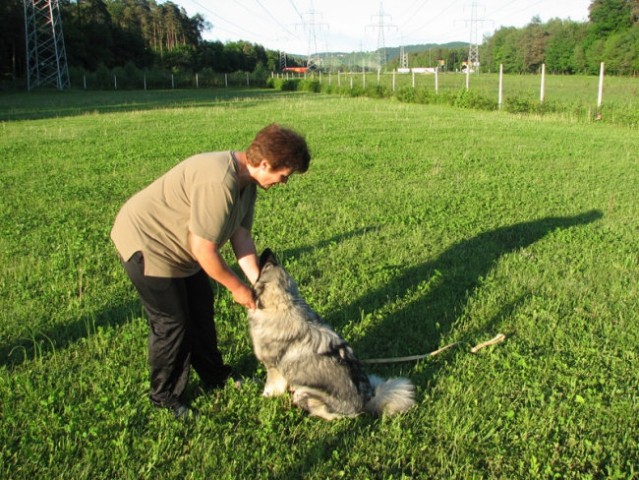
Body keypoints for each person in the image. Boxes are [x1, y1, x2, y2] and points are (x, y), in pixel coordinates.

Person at [110, 123, 311, 419]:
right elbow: (204, 250)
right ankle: (164, 397)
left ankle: (216, 376)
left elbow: (240, 236)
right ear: (266, 164)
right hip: (148, 243)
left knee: (201, 311)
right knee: (173, 324)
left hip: (183, 249)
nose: (284, 182)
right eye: (285, 175)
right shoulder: (219, 181)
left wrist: (259, 285)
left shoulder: (249, 184)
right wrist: (238, 288)